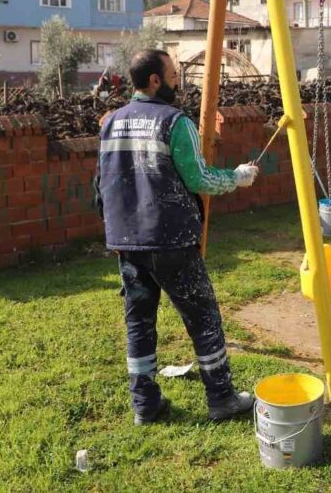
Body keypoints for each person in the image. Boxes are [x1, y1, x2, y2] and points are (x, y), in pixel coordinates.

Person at [96, 49, 260, 425]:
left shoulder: (111, 123)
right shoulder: (174, 122)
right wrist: (236, 177)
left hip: (128, 242)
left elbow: (100, 184)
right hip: (171, 241)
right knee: (203, 317)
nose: (177, 80)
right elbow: (198, 179)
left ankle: (145, 405)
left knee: (139, 322)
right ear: (155, 80)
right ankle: (221, 398)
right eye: (172, 74)